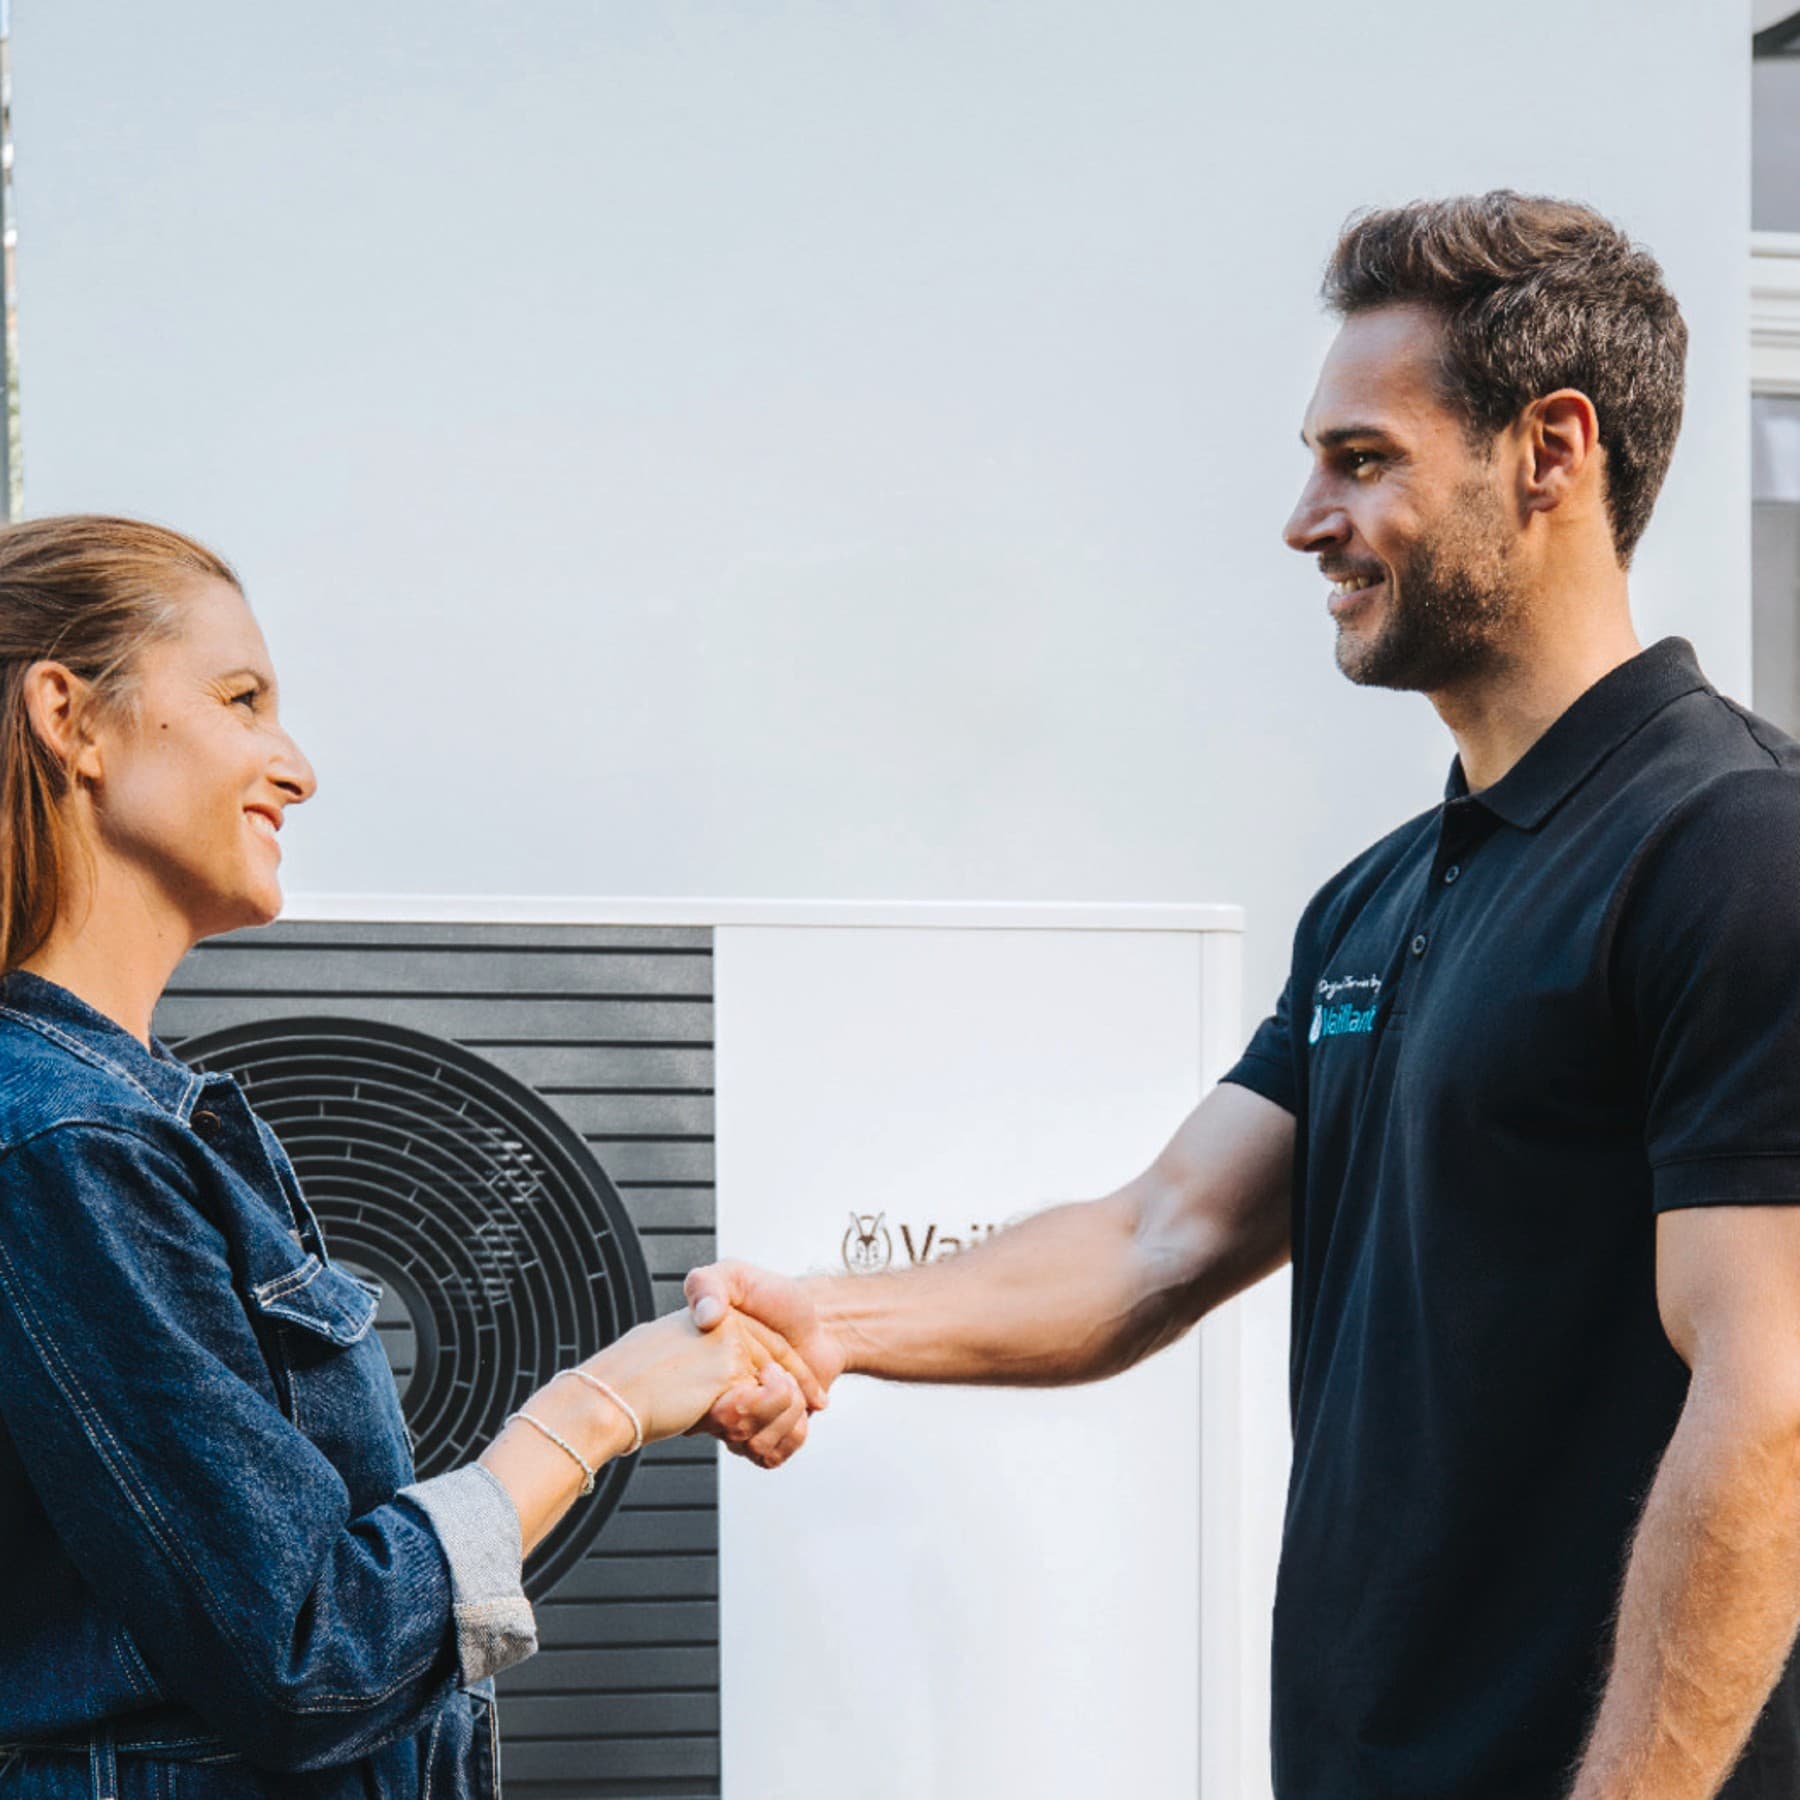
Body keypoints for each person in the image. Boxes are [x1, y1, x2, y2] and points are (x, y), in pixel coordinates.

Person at [686, 192, 1800, 1800]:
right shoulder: (1377, 898)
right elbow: (1164, 1235)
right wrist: (835, 1322)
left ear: (1549, 452)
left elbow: (1768, 1403)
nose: (1304, 519)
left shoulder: (1738, 852)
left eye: (1362, 459)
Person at [0, 515, 818, 1798]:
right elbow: (309, 1661)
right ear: (73, 719)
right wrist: (597, 1411)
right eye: (241, 698)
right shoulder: (62, 1140)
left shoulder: (137, 1124)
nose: (298, 765)